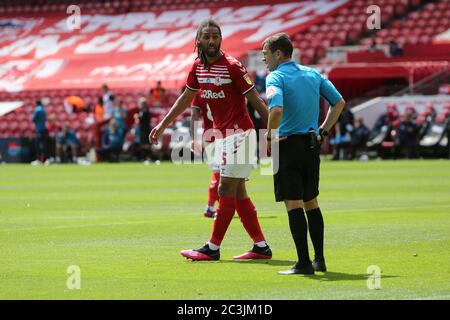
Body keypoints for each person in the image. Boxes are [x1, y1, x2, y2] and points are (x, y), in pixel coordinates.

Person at [150, 18, 271, 261]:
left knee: (226, 188)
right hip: (222, 135)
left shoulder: (233, 66)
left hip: (240, 133)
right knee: (238, 194)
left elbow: (257, 101)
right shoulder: (197, 67)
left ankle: (212, 248)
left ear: (221, 40)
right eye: (207, 37)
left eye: (216, 36)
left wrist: (273, 131)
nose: (212, 41)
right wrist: (163, 124)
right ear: (198, 41)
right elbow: (186, 98)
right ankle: (261, 247)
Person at [262, 33, 345, 275]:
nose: (263, 59)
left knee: (293, 203)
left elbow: (276, 109)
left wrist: (269, 136)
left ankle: (303, 263)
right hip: (311, 144)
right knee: (311, 202)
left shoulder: (275, 77)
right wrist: (323, 131)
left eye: (265, 54)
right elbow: (339, 103)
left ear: (278, 54)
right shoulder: (313, 74)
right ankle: (320, 259)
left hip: (287, 145)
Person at [190, 89, 221, 218]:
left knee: (219, 173)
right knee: (220, 174)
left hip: (209, 136)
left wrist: (193, 139)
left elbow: (194, 116)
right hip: (225, 134)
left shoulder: (199, 92)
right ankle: (210, 207)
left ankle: (222, 205)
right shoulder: (222, 87)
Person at [31, 99, 48, 163]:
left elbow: (33, 119)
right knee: (43, 145)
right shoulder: (43, 110)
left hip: (39, 130)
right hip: (44, 129)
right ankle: (45, 159)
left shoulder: (37, 110)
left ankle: (39, 160)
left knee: (38, 145)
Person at [137, 97, 153, 163]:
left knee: (146, 144)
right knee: (143, 144)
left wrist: (137, 117)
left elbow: (141, 120)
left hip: (145, 129)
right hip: (142, 129)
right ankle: (145, 158)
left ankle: (148, 157)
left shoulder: (145, 111)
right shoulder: (142, 111)